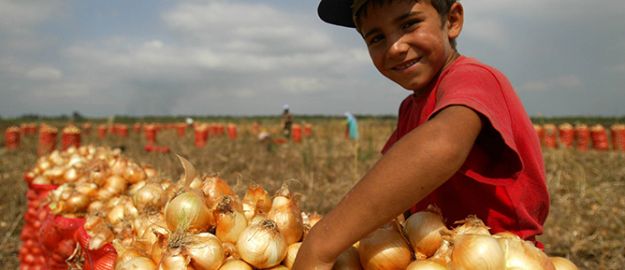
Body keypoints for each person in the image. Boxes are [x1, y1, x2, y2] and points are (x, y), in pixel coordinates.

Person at [293, 0, 550, 268]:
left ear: (452, 21)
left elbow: (443, 143)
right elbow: (394, 189)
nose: (396, 47)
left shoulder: (474, 77)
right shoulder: (409, 107)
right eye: (377, 37)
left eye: (409, 24)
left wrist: (322, 244)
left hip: (501, 260)